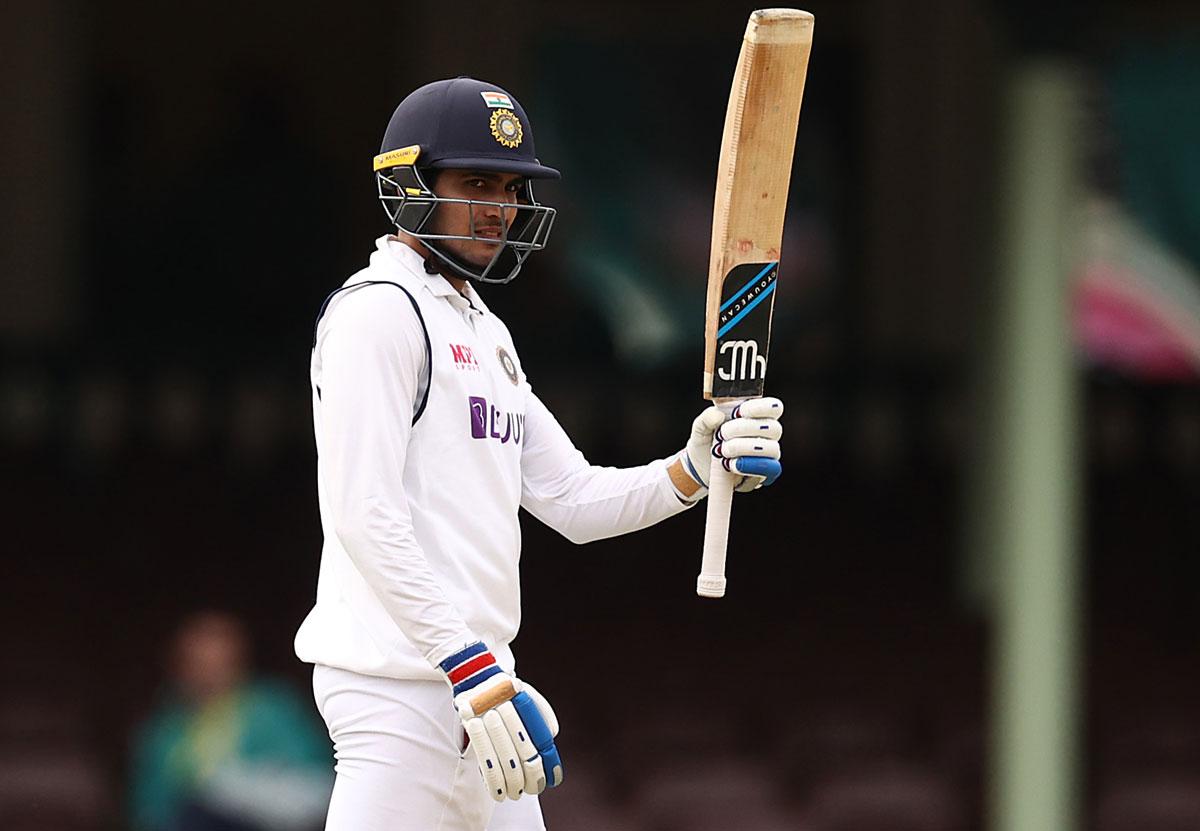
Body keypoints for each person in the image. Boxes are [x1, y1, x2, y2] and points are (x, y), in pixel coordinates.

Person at [293, 76, 785, 831]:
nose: (501, 207)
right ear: (410, 183)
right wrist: (467, 667)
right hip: (398, 689)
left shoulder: (486, 330)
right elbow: (363, 513)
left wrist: (694, 468)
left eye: (512, 187)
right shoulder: (377, 313)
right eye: (478, 182)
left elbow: (575, 501)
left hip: (485, 683)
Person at [130, 611, 332, 831]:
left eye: (219, 665)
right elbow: (148, 806)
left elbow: (316, 786)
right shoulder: (167, 727)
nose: (208, 677)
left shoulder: (272, 710)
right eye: (199, 665)